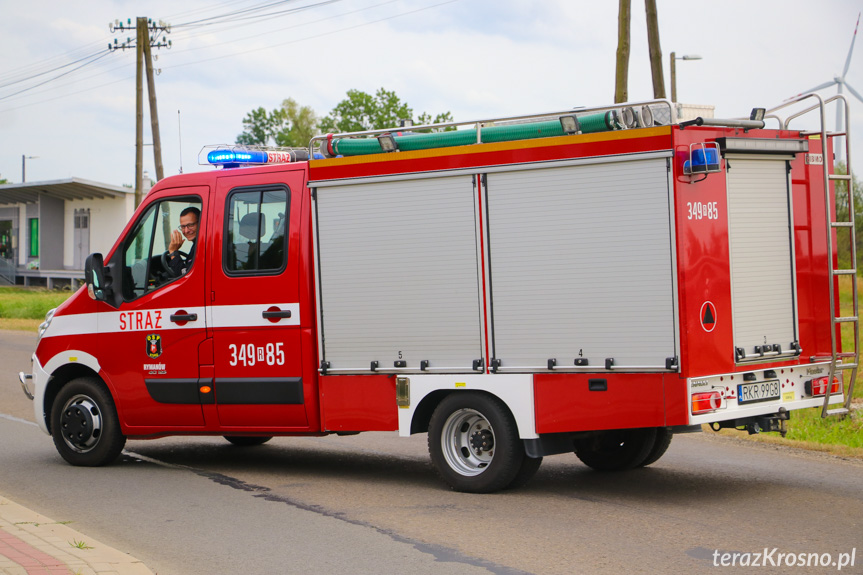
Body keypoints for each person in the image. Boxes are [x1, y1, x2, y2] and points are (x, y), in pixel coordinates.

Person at [166, 206, 200, 276]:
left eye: (190, 225)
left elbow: (184, 276)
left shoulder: (202, 245)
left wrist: (173, 252)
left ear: (200, 223)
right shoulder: (196, 244)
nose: (186, 231)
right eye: (183, 227)